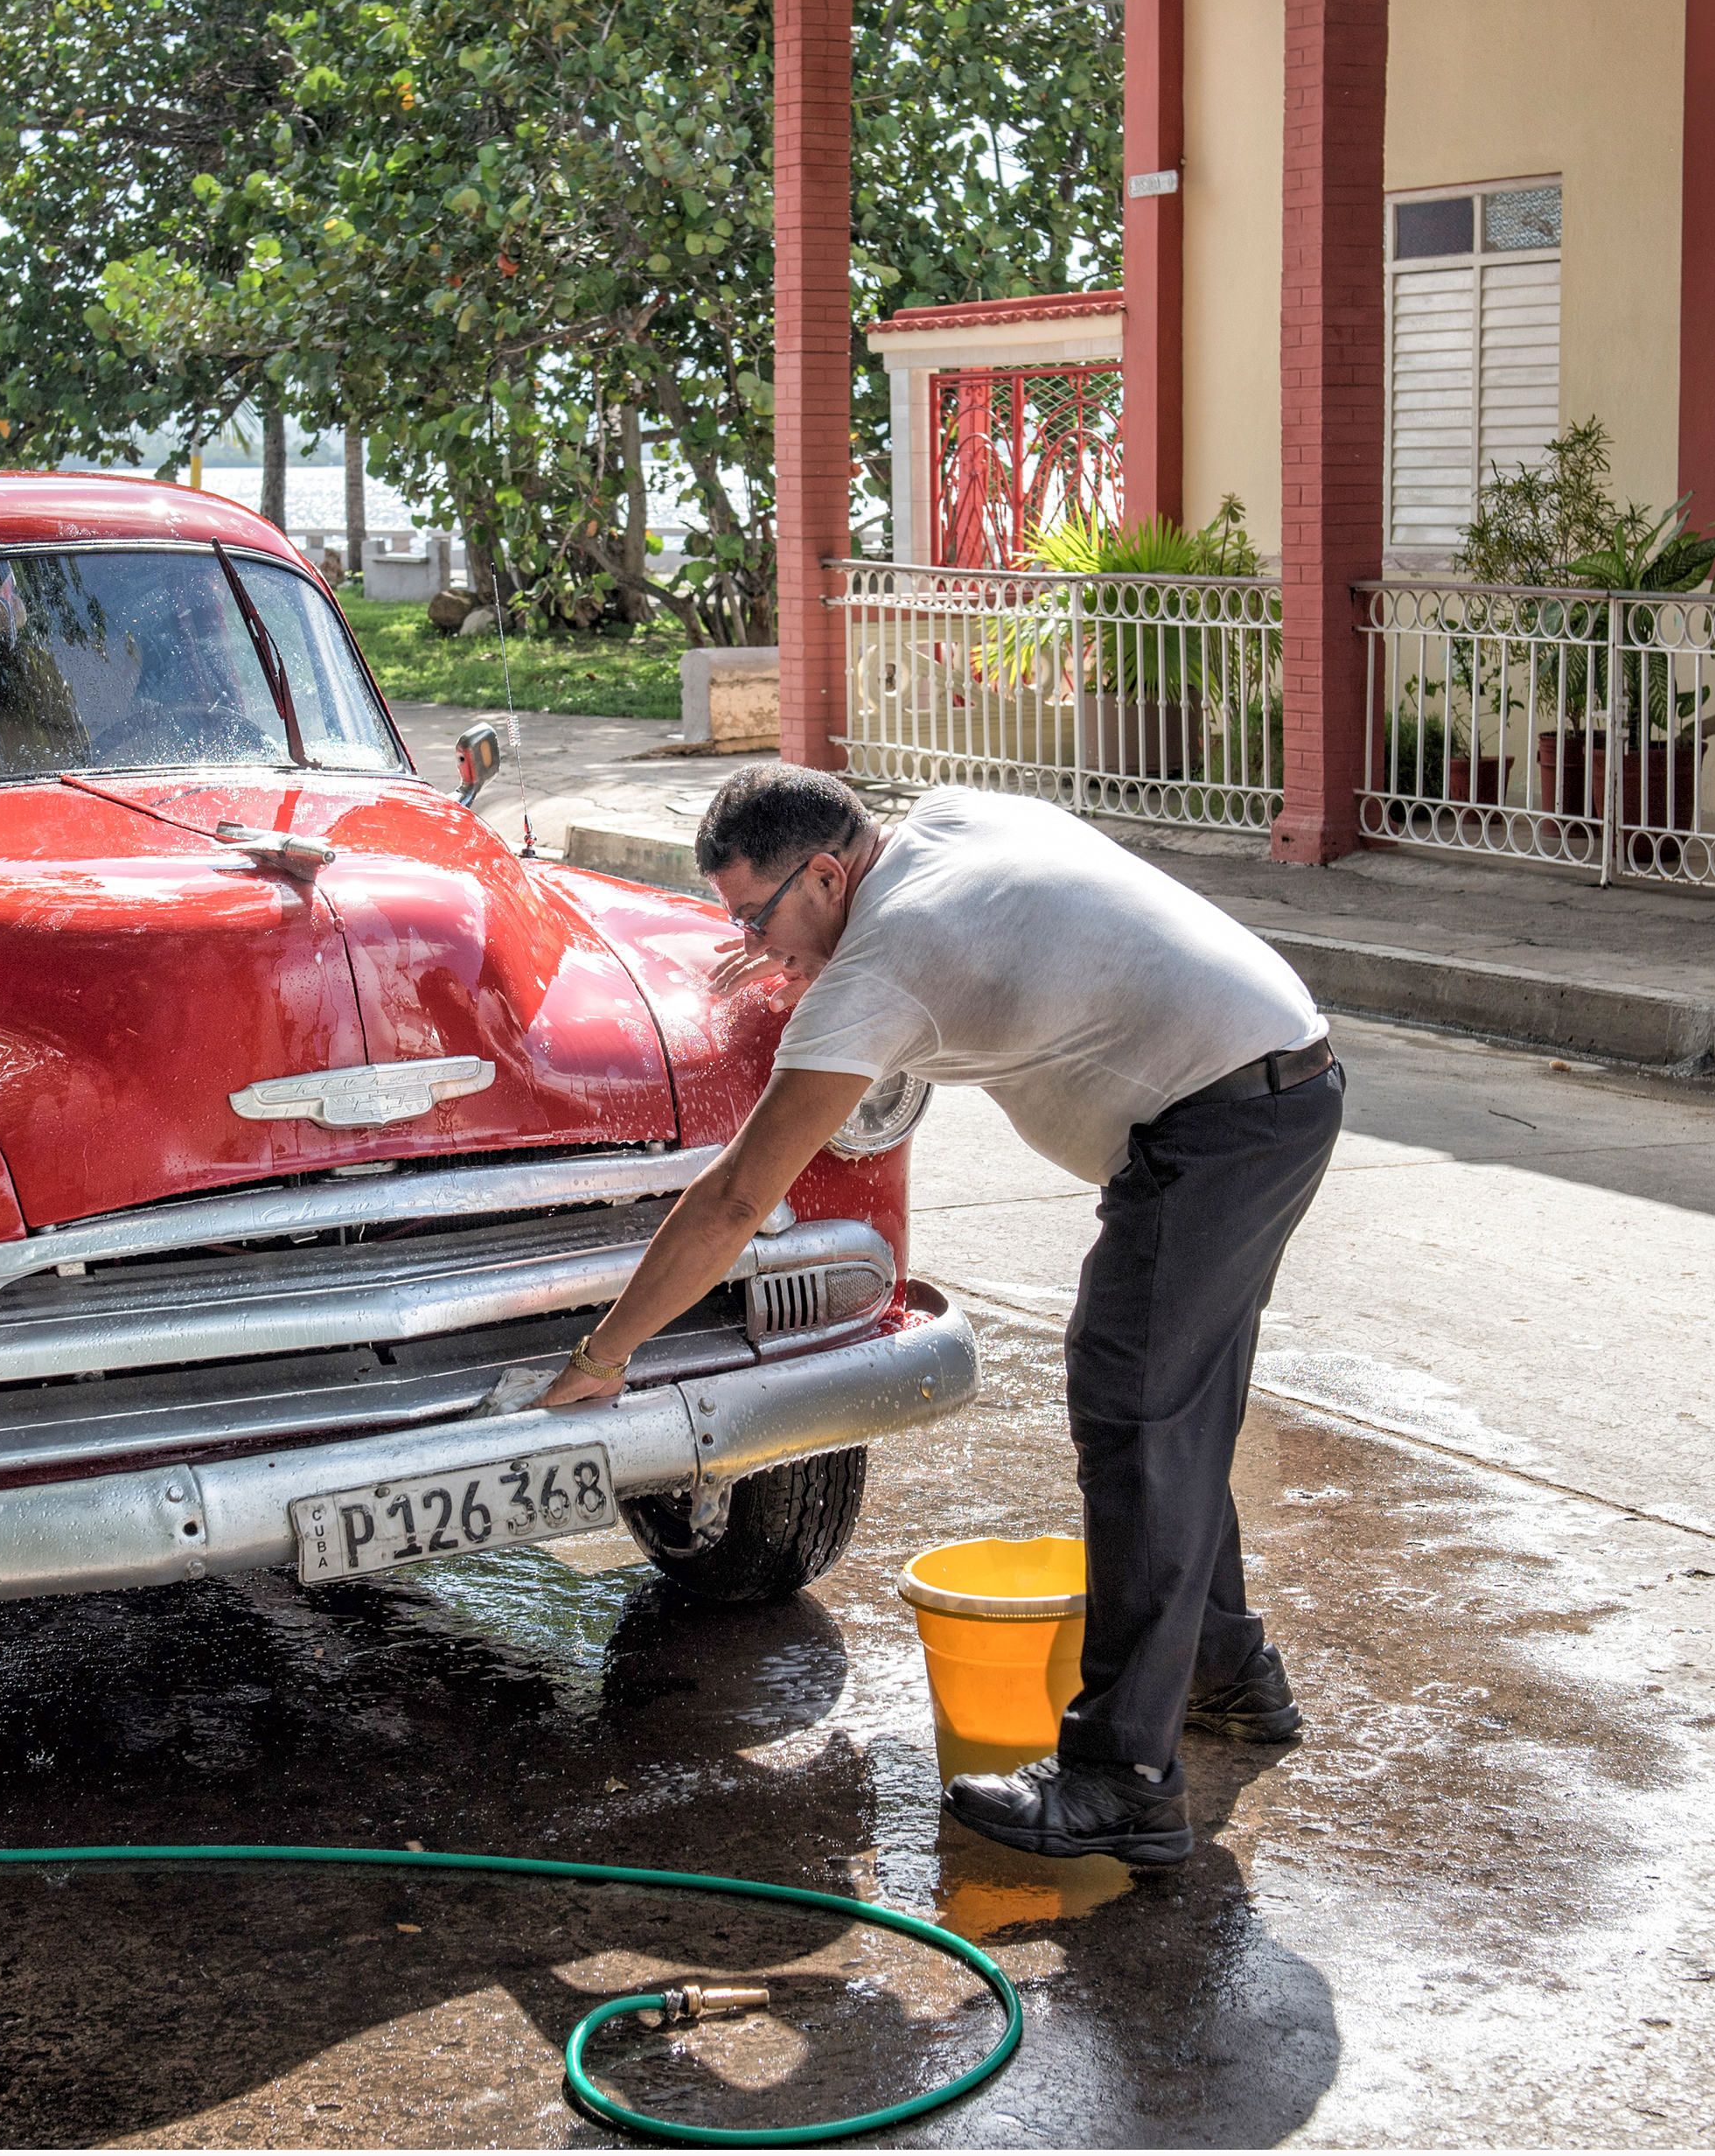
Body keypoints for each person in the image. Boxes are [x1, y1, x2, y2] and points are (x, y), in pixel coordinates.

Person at [534, 763, 1342, 1865]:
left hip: (1216, 1127)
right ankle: (1227, 1675)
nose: (755, 947)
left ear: (826, 871)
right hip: (1277, 1077)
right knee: (1171, 1405)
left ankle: (1125, 1783)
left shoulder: (885, 962)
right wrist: (800, 946)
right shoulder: (949, 824)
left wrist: (606, 1350)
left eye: (756, 917)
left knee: (1137, 1420)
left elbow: (734, 1196)